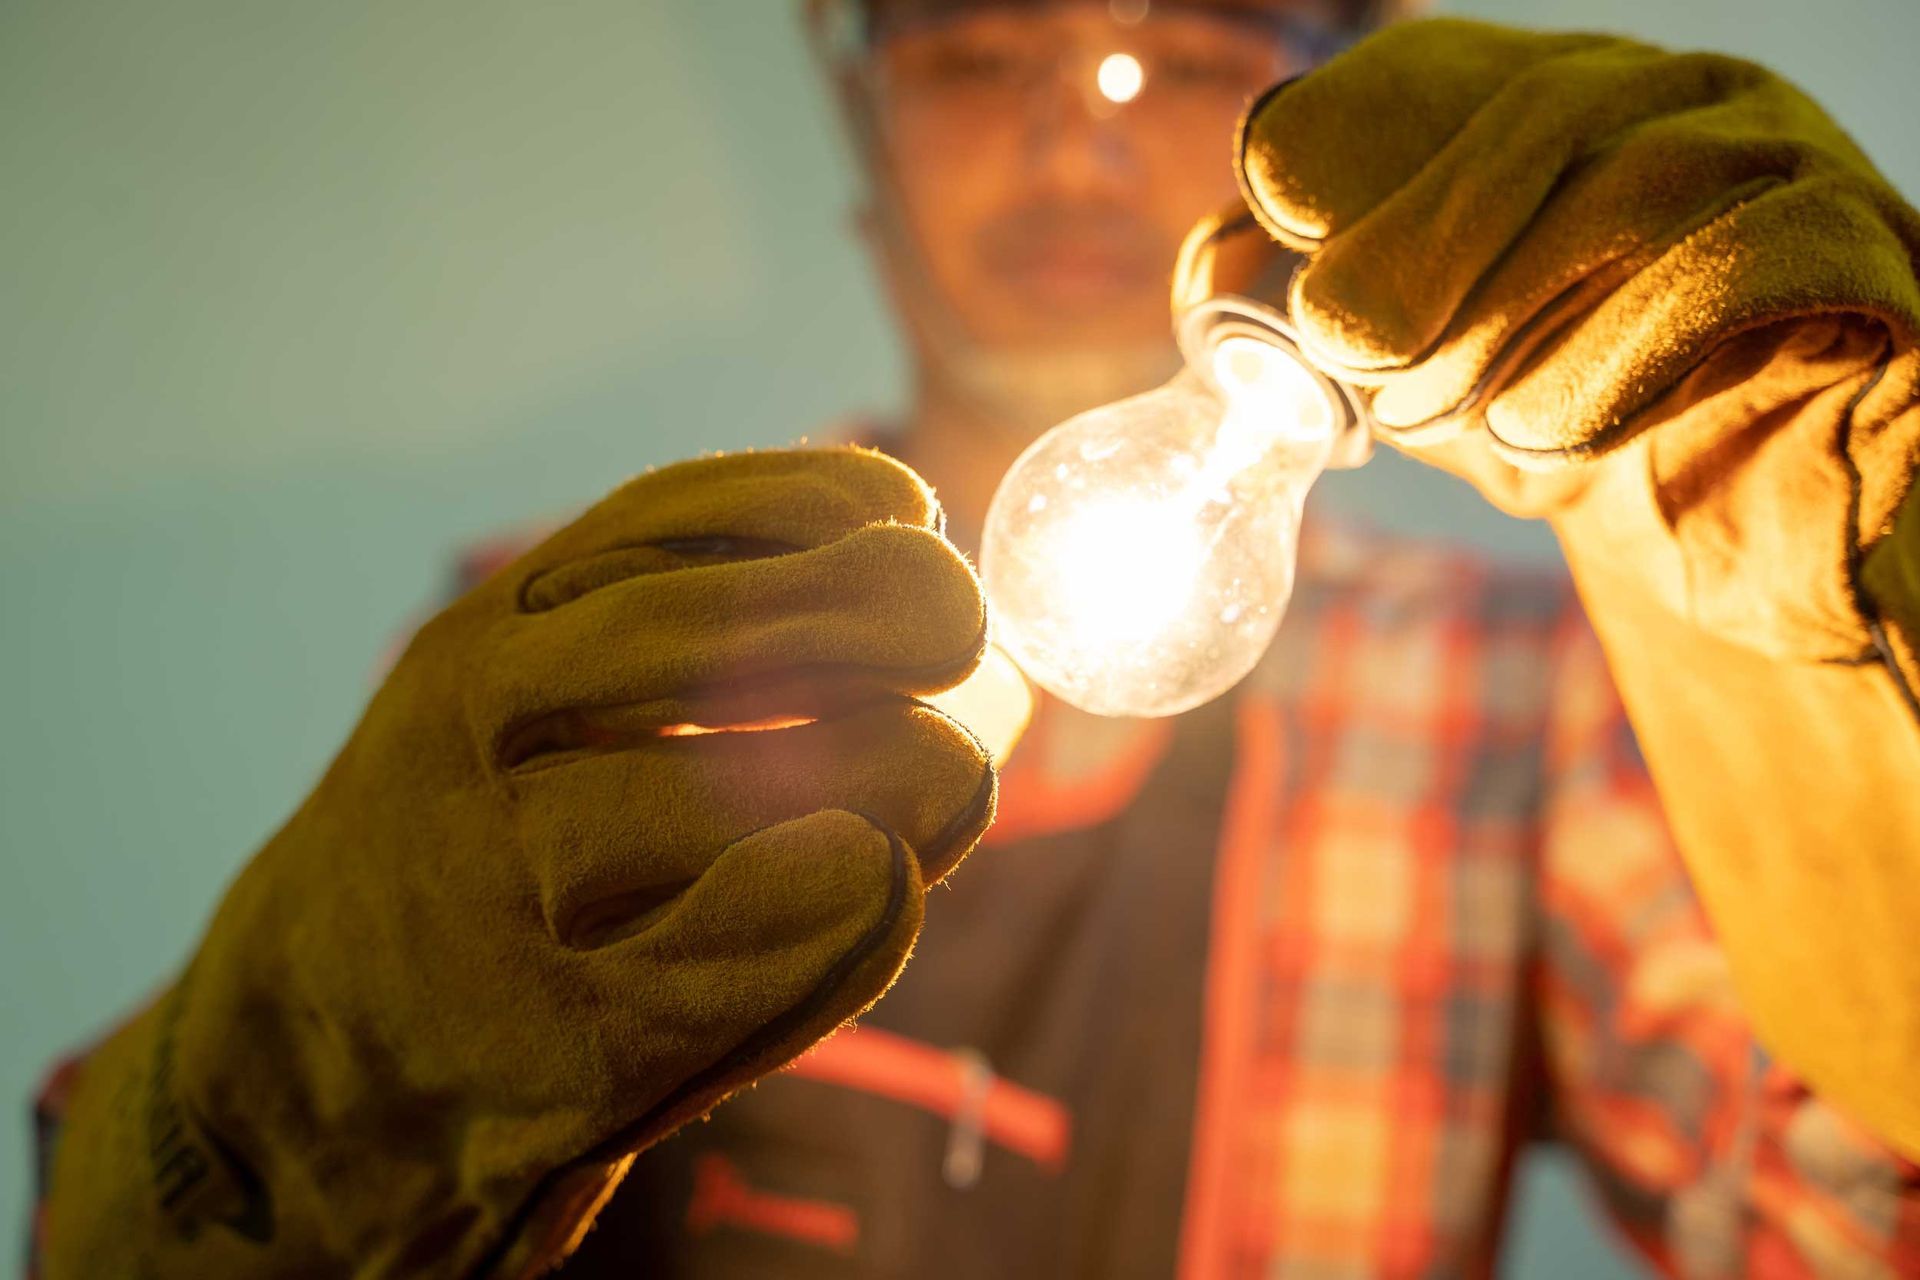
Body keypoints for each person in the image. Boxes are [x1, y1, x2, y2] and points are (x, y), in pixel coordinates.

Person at [31, 3, 1920, 1277]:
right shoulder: (576, 652)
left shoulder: (1528, 700)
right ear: (866, 132)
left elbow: (1845, 1216)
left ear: (1348, 139)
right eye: (980, 52)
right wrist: (271, 1122)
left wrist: (1800, 648)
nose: (1073, 138)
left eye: (1182, 52)